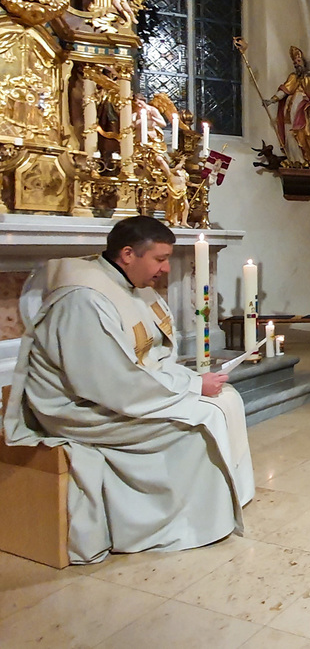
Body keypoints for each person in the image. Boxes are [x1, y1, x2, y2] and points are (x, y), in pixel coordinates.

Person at [3, 216, 254, 564]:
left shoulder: (128, 285)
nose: (166, 269)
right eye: (160, 259)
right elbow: (107, 381)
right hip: (78, 409)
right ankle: (180, 523)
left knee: (226, 401)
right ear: (127, 255)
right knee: (195, 425)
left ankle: (222, 503)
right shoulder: (84, 299)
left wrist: (184, 381)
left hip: (119, 392)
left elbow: (151, 355)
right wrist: (193, 385)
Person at [264, 46, 310, 167]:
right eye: (294, 63)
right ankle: (294, 160)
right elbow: (284, 91)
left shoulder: (308, 80)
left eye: (298, 61)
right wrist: (272, 100)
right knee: (290, 133)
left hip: (302, 111)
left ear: (303, 62)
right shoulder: (292, 77)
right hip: (289, 110)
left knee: (305, 134)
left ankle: (306, 160)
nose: (296, 64)